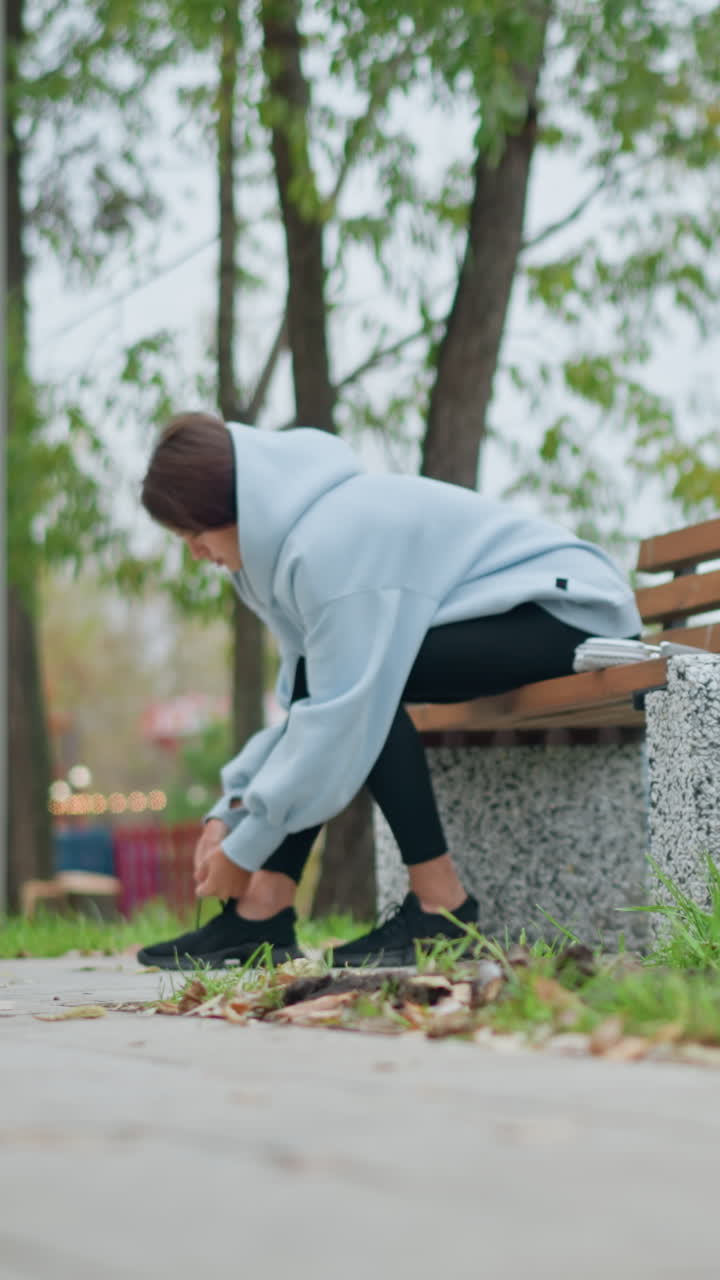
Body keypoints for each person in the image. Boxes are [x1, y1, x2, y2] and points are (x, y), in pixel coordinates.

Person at [136, 412, 642, 970]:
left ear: (232, 509)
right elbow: (303, 707)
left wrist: (243, 847)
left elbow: (344, 710)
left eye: (194, 534)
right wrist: (231, 808)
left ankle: (441, 909)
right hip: (516, 614)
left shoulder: (330, 544)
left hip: (569, 612)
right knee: (344, 682)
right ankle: (263, 912)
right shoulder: (288, 556)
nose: (195, 553)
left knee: (372, 681)